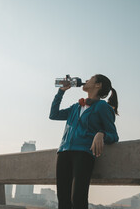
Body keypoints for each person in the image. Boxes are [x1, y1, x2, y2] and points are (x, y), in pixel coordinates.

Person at [49, 74, 119, 209]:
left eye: (90, 78)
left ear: (98, 85)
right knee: (63, 200)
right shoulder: (76, 107)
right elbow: (54, 114)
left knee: (77, 199)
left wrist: (101, 134)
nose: (86, 80)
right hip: (64, 152)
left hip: (83, 154)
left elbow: (114, 135)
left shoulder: (102, 107)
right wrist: (61, 91)